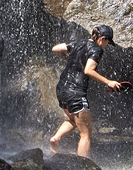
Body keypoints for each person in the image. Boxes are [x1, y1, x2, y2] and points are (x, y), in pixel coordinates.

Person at [50, 24, 120, 159]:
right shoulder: (97, 49)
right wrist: (108, 82)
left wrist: (71, 59)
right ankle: (82, 166)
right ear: (102, 39)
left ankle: (56, 138)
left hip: (62, 89)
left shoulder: (78, 43)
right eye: (107, 42)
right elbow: (88, 70)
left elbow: (55, 49)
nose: (106, 45)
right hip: (76, 92)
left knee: (73, 120)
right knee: (86, 134)